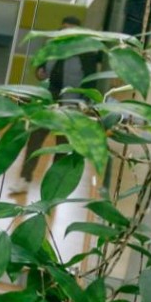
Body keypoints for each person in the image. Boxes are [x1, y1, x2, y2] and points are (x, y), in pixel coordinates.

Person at [10, 14, 102, 193]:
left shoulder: (86, 53)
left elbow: (92, 81)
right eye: (62, 29)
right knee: (35, 138)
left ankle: (54, 187)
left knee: (62, 145)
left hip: (72, 103)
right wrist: (40, 73)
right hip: (50, 98)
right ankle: (24, 178)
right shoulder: (52, 47)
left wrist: (85, 105)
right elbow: (41, 70)